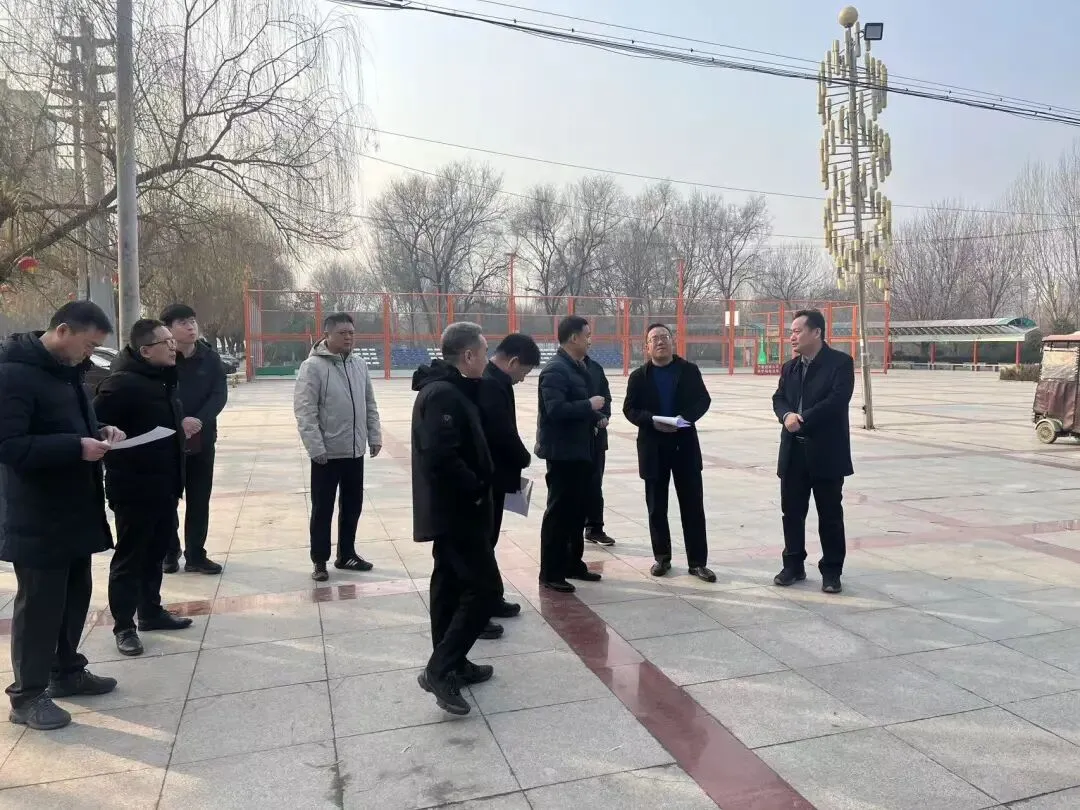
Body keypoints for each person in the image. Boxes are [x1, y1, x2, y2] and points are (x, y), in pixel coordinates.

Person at [0, 302, 121, 730]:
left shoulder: (68, 372)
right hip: (36, 513)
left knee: (74, 596)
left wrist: (100, 432)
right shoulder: (13, 374)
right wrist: (76, 446)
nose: (90, 355)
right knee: (39, 605)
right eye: (88, 345)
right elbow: (9, 445)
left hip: (75, 507)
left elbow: (68, 425)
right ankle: (27, 696)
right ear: (63, 330)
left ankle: (66, 671)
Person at [412, 322, 501, 716]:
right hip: (458, 510)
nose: (487, 358)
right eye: (484, 352)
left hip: (454, 509)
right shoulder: (443, 394)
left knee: (448, 586)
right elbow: (440, 455)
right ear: (468, 355)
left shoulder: (449, 388)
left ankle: (454, 664)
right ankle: (439, 669)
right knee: (484, 590)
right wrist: (477, 487)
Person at [94, 319, 193, 656]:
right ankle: (124, 626)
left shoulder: (163, 379)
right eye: (166, 342)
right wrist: (106, 434)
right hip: (133, 488)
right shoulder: (120, 384)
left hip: (165, 485)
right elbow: (94, 424)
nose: (173, 346)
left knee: (156, 553)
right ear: (146, 350)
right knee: (130, 557)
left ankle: (150, 611)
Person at [623, 323, 716, 582]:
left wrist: (684, 419)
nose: (660, 342)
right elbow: (629, 409)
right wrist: (651, 420)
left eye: (664, 337)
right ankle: (662, 558)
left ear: (672, 341)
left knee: (693, 506)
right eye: (654, 339)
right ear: (647, 347)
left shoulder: (688, 371)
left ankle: (698, 562)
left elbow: (703, 400)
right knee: (656, 507)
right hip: (653, 448)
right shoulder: (639, 376)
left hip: (684, 445)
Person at [770, 308, 854, 595]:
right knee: (792, 512)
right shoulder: (790, 367)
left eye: (797, 331)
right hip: (793, 452)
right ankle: (793, 565)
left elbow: (837, 401)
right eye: (791, 332)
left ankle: (831, 571)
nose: (792, 337)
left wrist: (802, 420)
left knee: (830, 514)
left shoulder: (840, 364)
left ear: (816, 332)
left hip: (826, 452)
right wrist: (786, 416)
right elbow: (779, 397)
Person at [294, 313, 382, 582]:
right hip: (327, 453)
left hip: (354, 450)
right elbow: (305, 410)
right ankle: (319, 560)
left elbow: (369, 403)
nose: (348, 337)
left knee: (352, 505)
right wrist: (315, 447)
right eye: (342, 333)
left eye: (351, 333)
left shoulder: (359, 365)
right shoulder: (313, 367)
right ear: (327, 335)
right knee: (323, 508)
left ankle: (347, 554)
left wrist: (374, 435)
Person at [535, 315, 607, 593]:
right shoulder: (555, 370)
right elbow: (555, 410)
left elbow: (578, 405)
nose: (590, 340)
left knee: (577, 511)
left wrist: (597, 415)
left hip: (581, 450)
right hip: (562, 453)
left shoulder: (578, 367)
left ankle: (572, 563)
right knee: (559, 513)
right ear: (574, 337)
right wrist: (589, 405)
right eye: (587, 335)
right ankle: (550, 572)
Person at [478, 332, 541, 628]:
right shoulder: (492, 384)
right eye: (524, 372)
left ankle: (491, 597)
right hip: (489, 478)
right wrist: (523, 457)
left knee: (488, 540)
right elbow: (501, 432)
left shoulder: (496, 380)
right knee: (483, 541)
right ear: (513, 362)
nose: (523, 379)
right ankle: (480, 606)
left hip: (498, 476)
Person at [160, 304, 228, 576]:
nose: (191, 327)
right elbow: (156, 395)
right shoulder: (162, 358)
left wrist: (198, 420)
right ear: (168, 329)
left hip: (202, 439)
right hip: (168, 440)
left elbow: (219, 394)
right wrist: (179, 421)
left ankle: (196, 554)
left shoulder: (210, 358)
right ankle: (169, 552)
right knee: (167, 499)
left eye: (192, 321)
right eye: (183, 323)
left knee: (199, 499)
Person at [583, 351, 615, 546]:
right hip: (573, 439)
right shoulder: (561, 368)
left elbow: (606, 398)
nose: (588, 341)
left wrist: (603, 417)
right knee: (572, 487)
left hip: (597, 437)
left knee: (595, 484)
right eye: (585, 337)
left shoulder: (595, 368)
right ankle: (569, 532)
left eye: (589, 337)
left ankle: (595, 528)